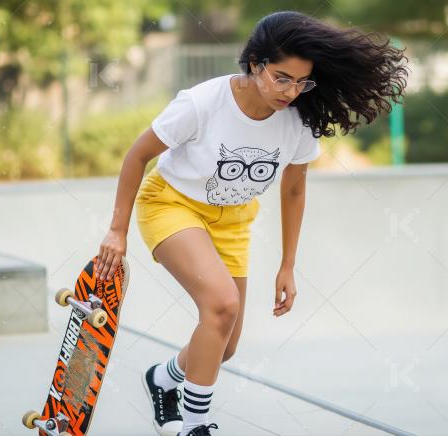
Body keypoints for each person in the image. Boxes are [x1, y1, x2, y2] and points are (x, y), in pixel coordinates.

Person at [94, 10, 407, 436]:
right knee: (221, 306)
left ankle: (162, 378)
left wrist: (288, 264)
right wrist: (117, 229)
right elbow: (137, 155)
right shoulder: (202, 103)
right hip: (171, 204)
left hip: (233, 222)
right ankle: (195, 426)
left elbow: (294, 190)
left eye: (302, 81)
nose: (291, 91)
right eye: (281, 78)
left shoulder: (299, 121)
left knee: (225, 343)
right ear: (255, 64)